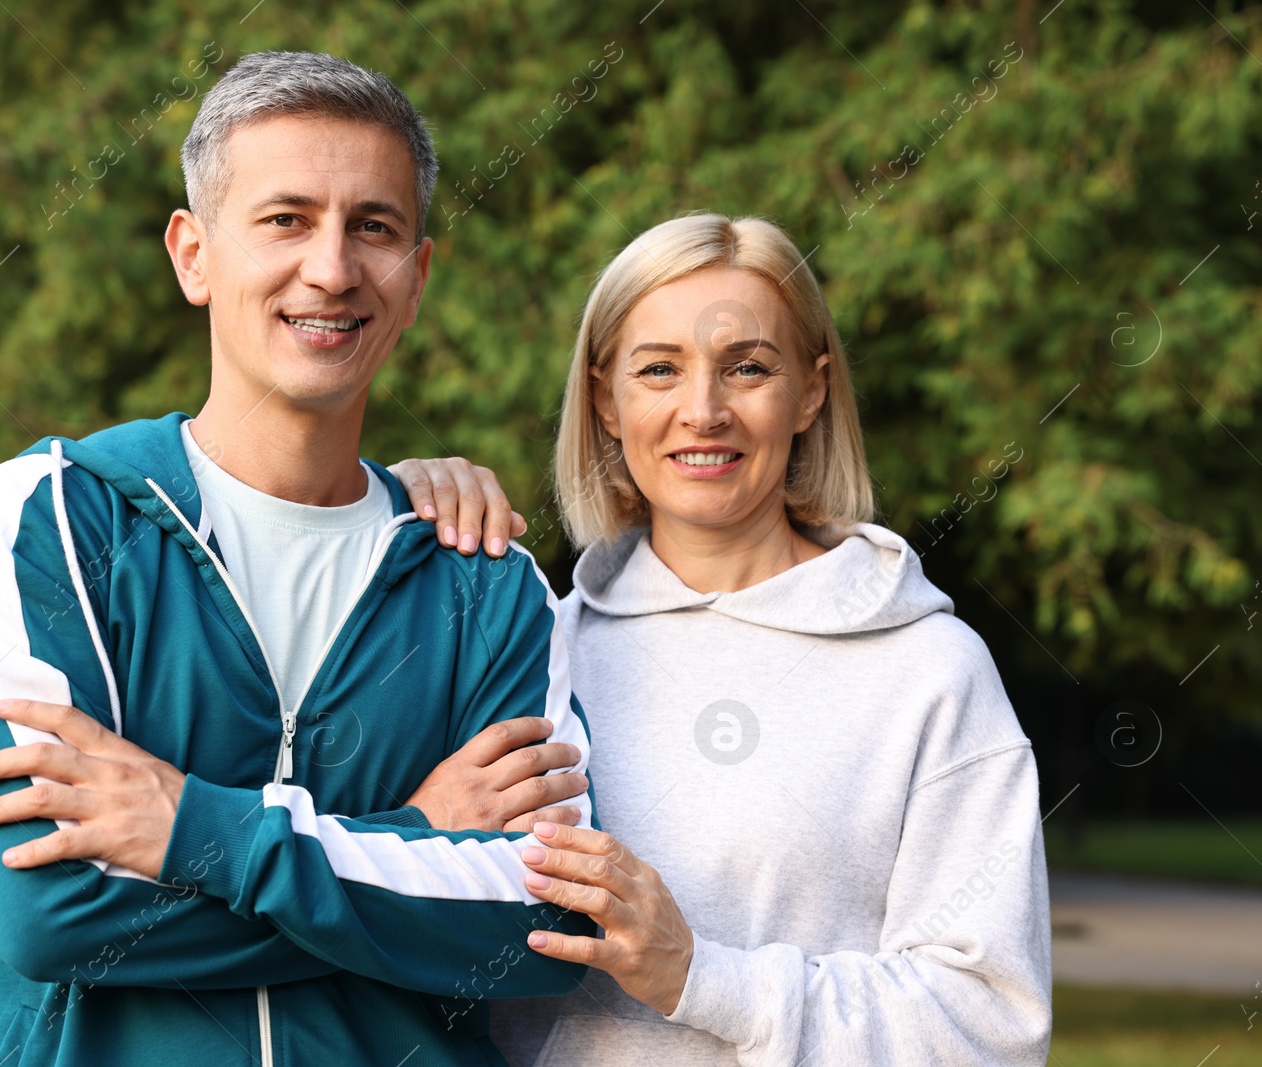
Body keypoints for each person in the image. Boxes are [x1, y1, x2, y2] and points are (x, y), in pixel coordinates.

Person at [0, 51, 597, 1067]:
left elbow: (548, 921)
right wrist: (411, 833)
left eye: (372, 225)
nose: (330, 268)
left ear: (415, 278)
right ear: (194, 255)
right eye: (285, 219)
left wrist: (198, 829)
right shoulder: (49, 523)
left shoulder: (485, 576)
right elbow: (50, 906)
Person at [389, 212, 1053, 1065]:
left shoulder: (929, 670)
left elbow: (989, 1025)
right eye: (659, 369)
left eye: (747, 368)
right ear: (605, 397)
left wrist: (703, 976)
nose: (703, 411)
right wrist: (381, 515)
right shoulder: (532, 654)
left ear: (811, 390)